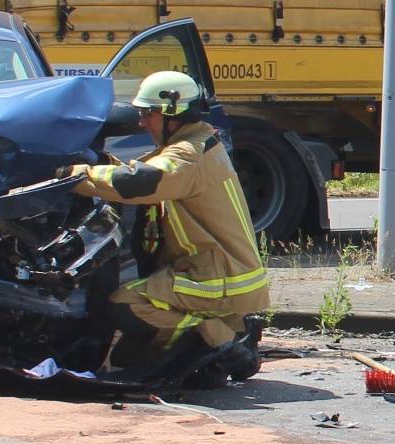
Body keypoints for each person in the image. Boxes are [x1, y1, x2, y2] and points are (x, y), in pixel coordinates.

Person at [62, 70, 270, 378]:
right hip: (220, 271)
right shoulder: (196, 142)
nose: (142, 122)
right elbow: (149, 169)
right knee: (127, 356)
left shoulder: (189, 154)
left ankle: (221, 341)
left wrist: (71, 175)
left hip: (217, 277)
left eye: (148, 114)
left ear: (174, 115)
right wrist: (105, 164)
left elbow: (143, 181)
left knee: (125, 303)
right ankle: (230, 337)